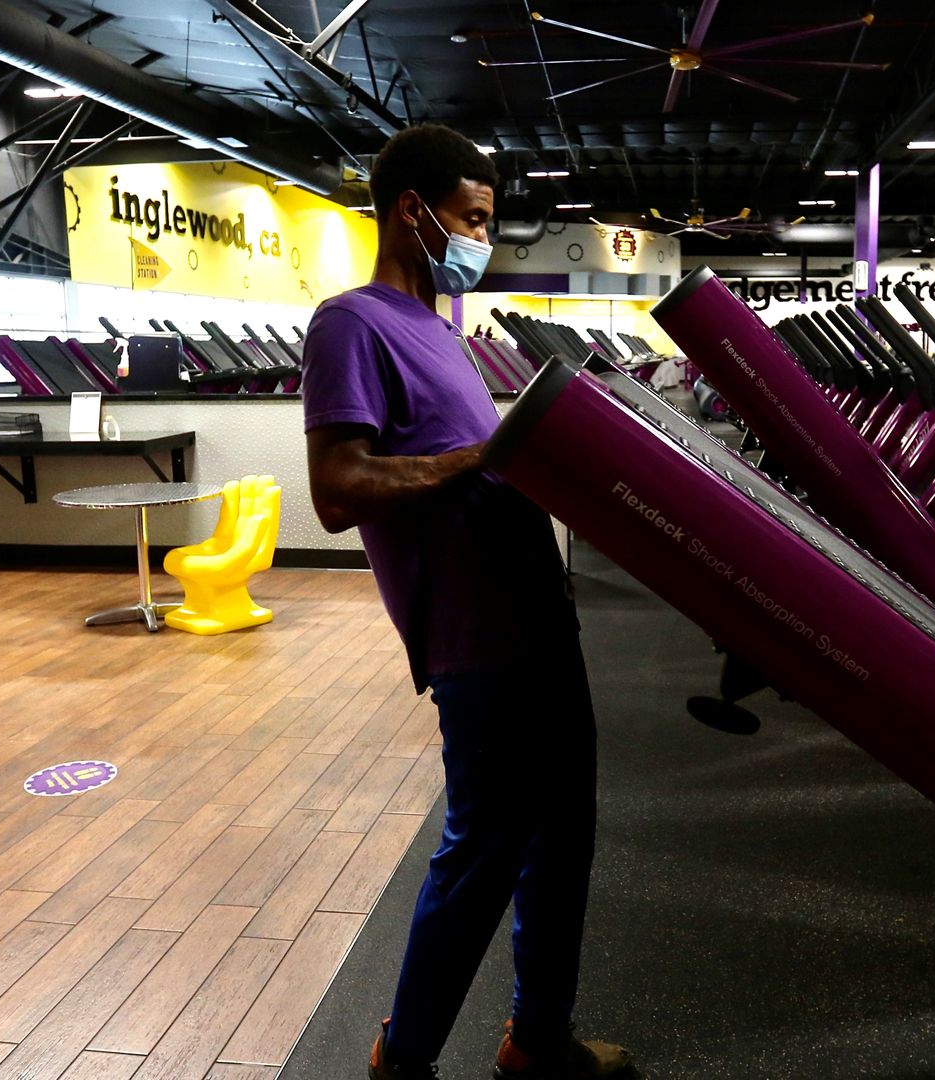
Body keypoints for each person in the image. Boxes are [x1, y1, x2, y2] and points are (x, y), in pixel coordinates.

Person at [300, 124, 631, 1080]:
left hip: (538, 613)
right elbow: (337, 488)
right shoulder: (350, 324)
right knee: (483, 848)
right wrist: (486, 457)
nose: (482, 239)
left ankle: (537, 1039)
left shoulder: (442, 333)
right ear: (414, 211)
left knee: (564, 834)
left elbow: (479, 473)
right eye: (473, 219)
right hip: (475, 638)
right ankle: (401, 1062)